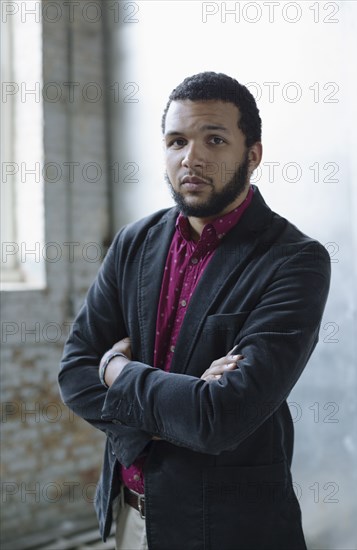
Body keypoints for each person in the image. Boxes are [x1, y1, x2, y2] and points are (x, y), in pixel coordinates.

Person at [59, 71, 331, 550]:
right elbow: (76, 373)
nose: (192, 157)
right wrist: (183, 402)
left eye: (215, 139)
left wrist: (116, 369)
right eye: (177, 140)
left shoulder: (294, 260)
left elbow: (221, 418)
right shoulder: (133, 243)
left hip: (231, 528)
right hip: (129, 514)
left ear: (253, 154)